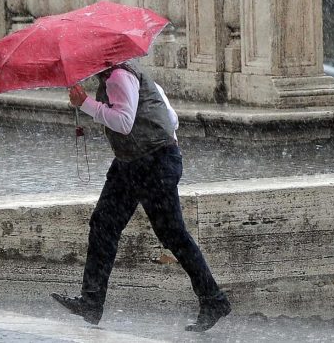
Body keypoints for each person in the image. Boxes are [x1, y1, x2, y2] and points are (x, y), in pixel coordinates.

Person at [51, 61, 231, 332]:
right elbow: (171, 119)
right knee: (104, 225)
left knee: (172, 234)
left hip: (152, 164)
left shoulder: (118, 77)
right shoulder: (133, 76)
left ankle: (213, 299)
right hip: (136, 163)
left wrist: (85, 103)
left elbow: (124, 123)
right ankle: (91, 301)